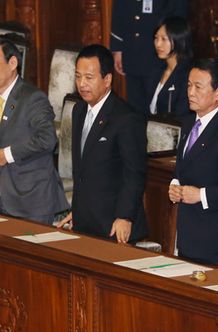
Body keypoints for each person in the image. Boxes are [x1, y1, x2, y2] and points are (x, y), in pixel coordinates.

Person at [57, 44, 148, 244]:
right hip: (85, 222)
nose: (82, 84)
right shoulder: (79, 110)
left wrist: (125, 216)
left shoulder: (126, 118)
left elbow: (134, 174)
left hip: (114, 225)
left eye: (89, 77)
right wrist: (79, 211)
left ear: (107, 79)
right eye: (78, 76)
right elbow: (82, 170)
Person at [0, 38, 69, 224]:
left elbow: (47, 139)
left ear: (13, 63)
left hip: (32, 200)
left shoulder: (33, 98)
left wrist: (9, 154)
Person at [168, 59, 218, 268]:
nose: (190, 92)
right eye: (188, 85)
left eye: (198, 87)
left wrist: (201, 195)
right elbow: (184, 167)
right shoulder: (187, 122)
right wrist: (175, 183)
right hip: (188, 234)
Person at [110, 0, 188, 114]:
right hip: (132, 52)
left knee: (160, 106)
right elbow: (119, 10)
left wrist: (173, 44)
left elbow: (178, 15)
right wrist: (117, 48)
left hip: (160, 55)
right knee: (135, 109)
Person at [148, 16, 192, 118]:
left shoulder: (187, 73)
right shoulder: (157, 69)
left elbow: (183, 113)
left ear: (179, 39)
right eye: (156, 38)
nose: (158, 44)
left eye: (164, 39)